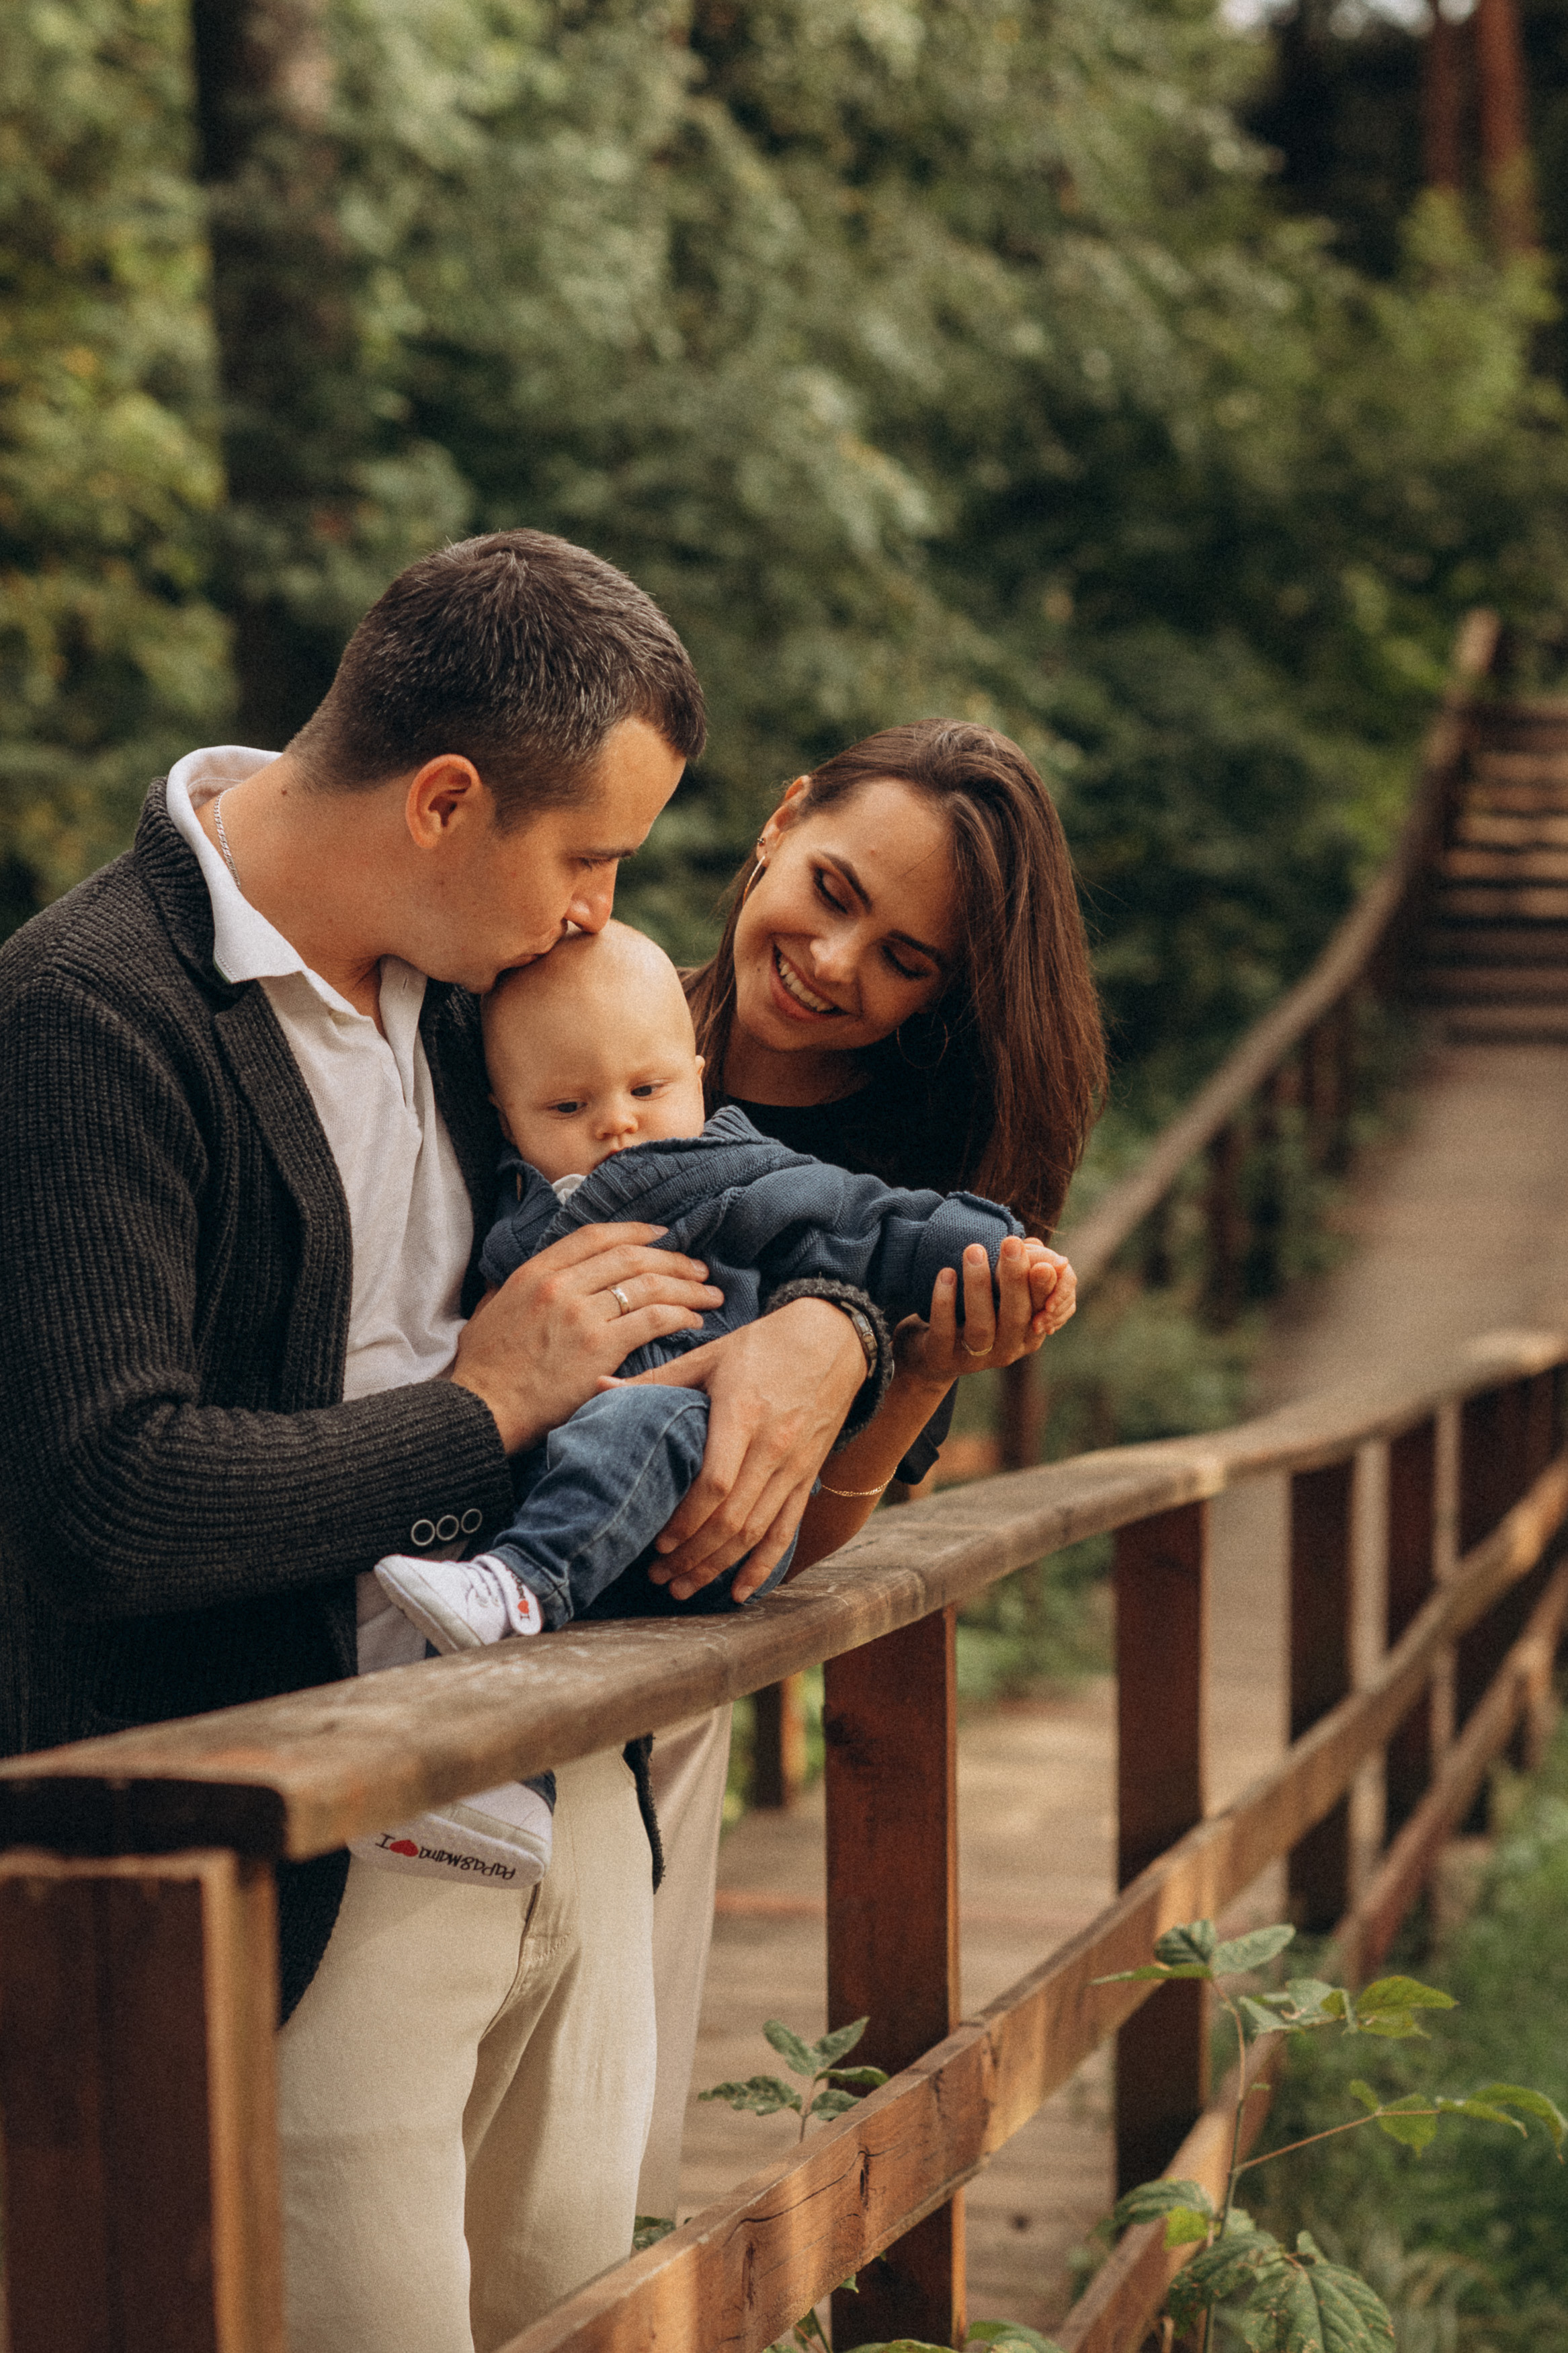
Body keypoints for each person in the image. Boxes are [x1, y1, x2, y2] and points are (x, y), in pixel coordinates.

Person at [0, 529, 896, 2353]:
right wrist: (484, 1409)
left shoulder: (479, 985)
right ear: (441, 802)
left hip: (561, 1794)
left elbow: (723, 1177)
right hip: (300, 1877)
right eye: (587, 858)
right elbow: (112, 1497)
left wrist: (836, 1318)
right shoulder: (91, 1014)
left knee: (603, 2315)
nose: (597, 912)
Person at [634, 717, 1108, 2221]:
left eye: (904, 960)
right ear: (781, 820)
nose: (833, 965)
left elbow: (800, 1554)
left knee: (591, 2200)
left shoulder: (912, 1182)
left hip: (646, 1687)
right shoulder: (587, 1013)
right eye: (831, 891)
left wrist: (912, 1375)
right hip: (412, 1623)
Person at [372, 921, 1067, 1705]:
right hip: (565, 1502)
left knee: (644, 1417)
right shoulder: (508, 1196)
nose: (617, 1121)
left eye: (648, 1090)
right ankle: (498, 1682)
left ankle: (519, 1585)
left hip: (706, 1501)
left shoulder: (728, 1174)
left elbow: (867, 1223)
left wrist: (998, 1251)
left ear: (697, 1082)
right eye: (567, 1104)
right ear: (505, 1118)